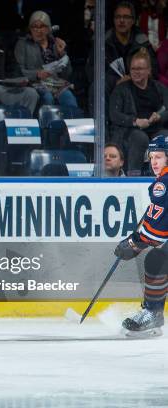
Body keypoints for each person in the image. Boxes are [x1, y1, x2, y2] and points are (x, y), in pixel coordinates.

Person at [114, 134, 168, 336]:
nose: (154, 162)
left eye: (159, 157)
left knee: (156, 260)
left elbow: (158, 231)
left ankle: (153, 314)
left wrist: (134, 243)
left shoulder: (164, 184)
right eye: (152, 157)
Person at [86, 1, 159, 109]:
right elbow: (91, 72)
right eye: (118, 17)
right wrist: (115, 81)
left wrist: (132, 78)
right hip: (110, 85)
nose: (121, 20)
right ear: (114, 20)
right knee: (97, 87)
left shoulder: (142, 41)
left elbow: (154, 70)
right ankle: (103, 125)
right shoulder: (103, 42)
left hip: (137, 83)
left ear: (133, 21)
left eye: (126, 17)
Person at [109, 48, 168, 175]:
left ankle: (159, 177)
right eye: (133, 69)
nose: (136, 72)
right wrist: (135, 122)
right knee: (139, 137)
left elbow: (167, 109)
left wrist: (160, 116)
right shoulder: (121, 89)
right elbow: (114, 115)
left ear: (148, 70)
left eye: (140, 69)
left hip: (155, 128)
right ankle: (133, 176)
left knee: (163, 137)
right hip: (129, 130)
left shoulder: (159, 88)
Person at [15, 10, 78, 108]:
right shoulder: (23, 44)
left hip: (54, 84)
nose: (38, 30)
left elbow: (67, 74)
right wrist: (37, 74)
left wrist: (62, 54)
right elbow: (17, 72)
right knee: (47, 97)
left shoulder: (55, 44)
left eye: (42, 26)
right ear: (30, 29)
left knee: (69, 98)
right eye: (34, 26)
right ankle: (46, 123)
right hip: (34, 84)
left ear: (48, 28)